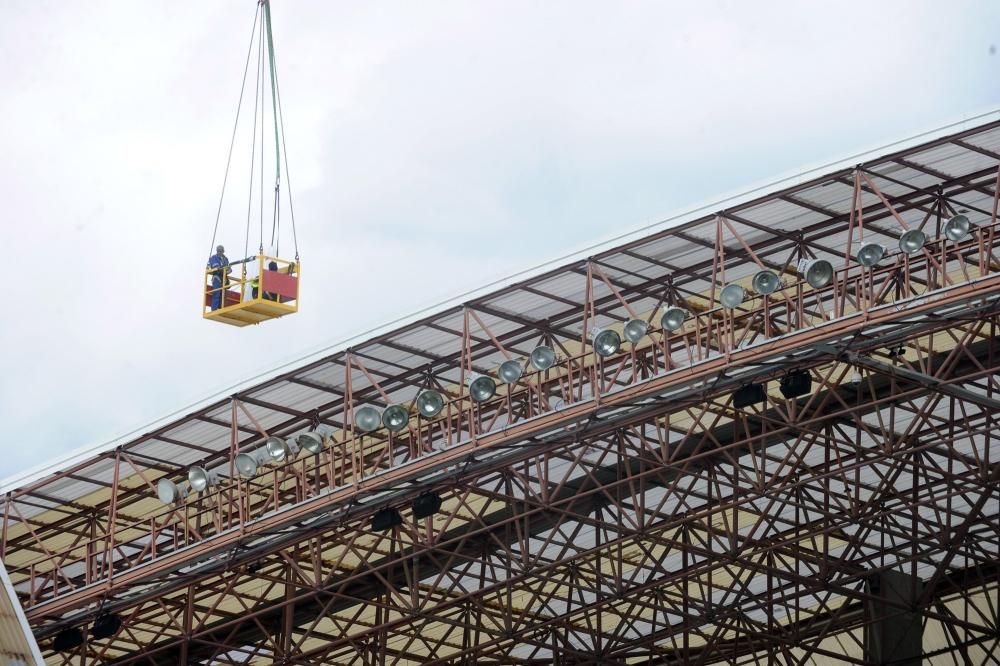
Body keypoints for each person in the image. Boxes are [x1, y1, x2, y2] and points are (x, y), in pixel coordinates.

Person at [207, 245, 231, 310]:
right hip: (217, 277)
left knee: (223, 294)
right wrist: (223, 270)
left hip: (224, 278)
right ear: (217, 251)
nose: (220, 252)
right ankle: (214, 309)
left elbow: (229, 269)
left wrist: (225, 270)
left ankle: (221, 308)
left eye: (221, 251)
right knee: (216, 293)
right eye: (219, 251)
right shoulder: (213, 258)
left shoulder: (225, 259)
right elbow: (216, 267)